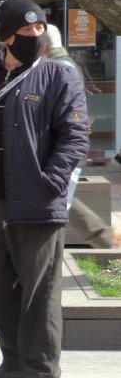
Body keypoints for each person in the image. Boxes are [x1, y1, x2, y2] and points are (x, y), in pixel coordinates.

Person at [0, 0, 89, 378]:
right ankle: (12, 362)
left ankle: (39, 370)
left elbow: (75, 137)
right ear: (6, 35)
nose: (35, 36)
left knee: (39, 295)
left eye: (40, 29)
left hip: (36, 202)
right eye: (26, 30)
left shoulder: (59, 74)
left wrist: (52, 181)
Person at [45, 24, 121, 250]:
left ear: (45, 44)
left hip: (62, 141)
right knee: (58, 193)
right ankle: (104, 237)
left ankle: (105, 237)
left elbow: (65, 111)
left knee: (58, 193)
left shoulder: (58, 66)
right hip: (66, 139)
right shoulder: (65, 64)